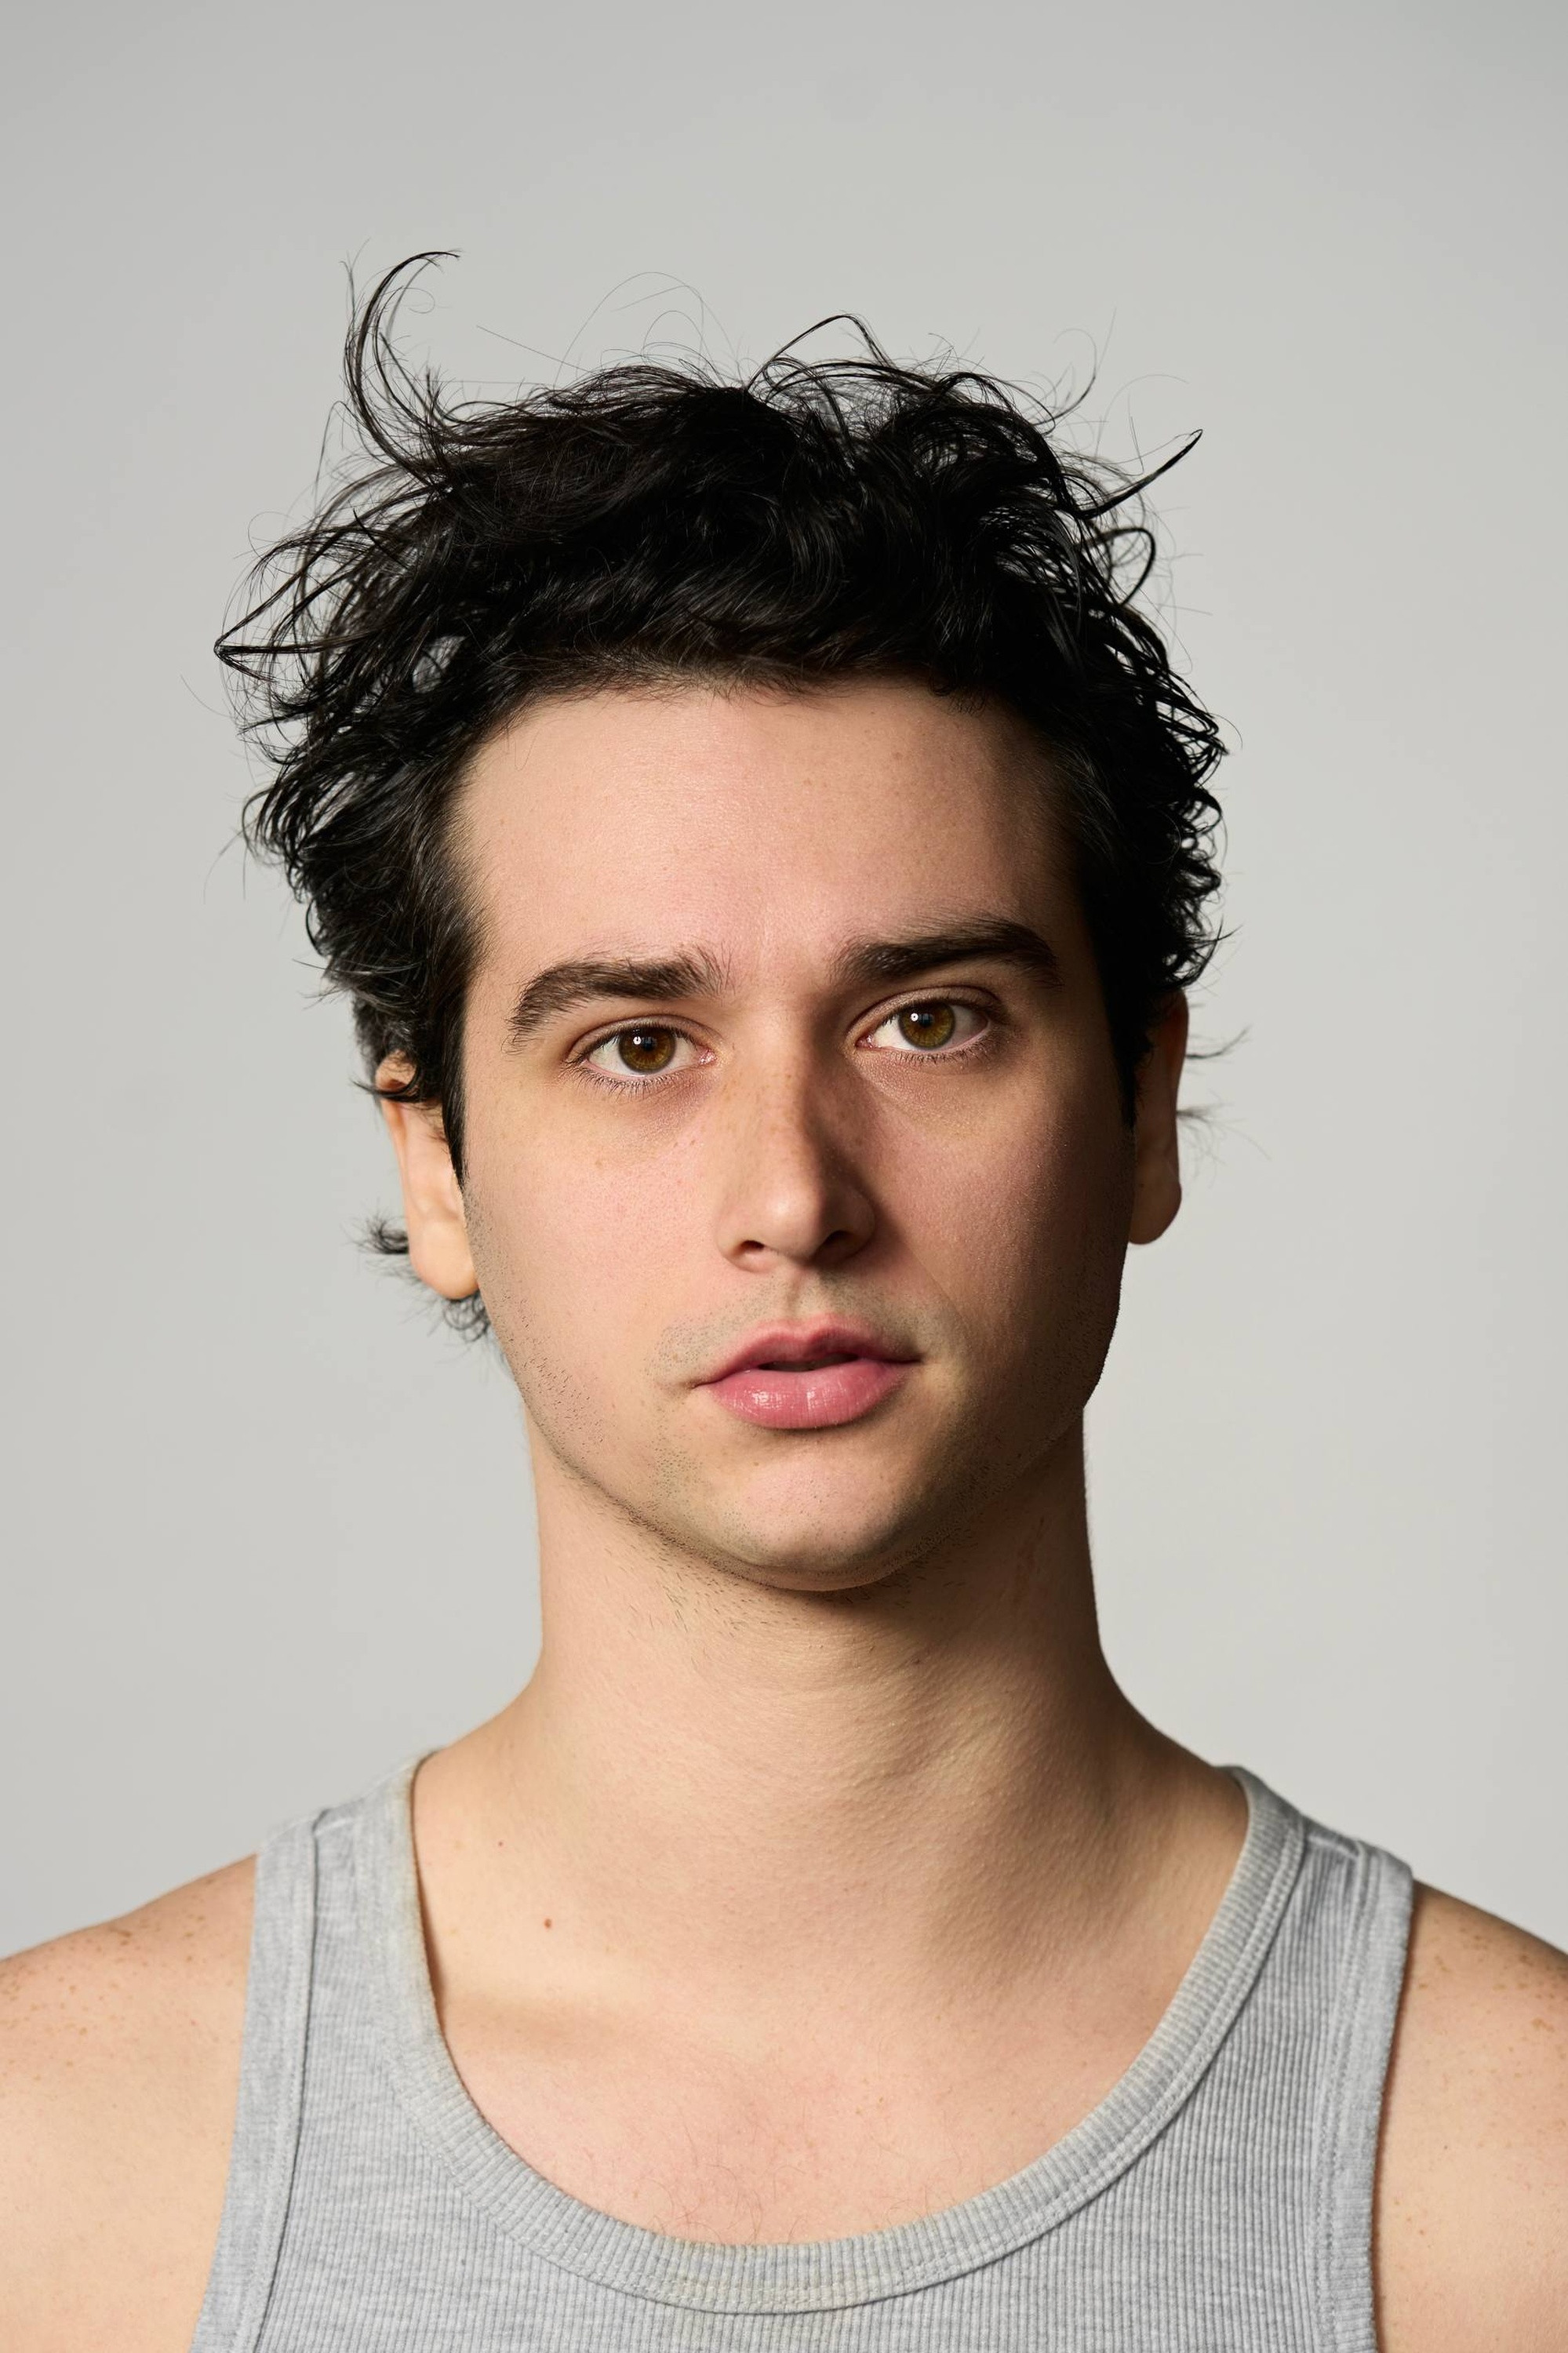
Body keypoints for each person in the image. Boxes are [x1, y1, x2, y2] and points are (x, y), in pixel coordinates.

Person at [2, 259, 1564, 2353]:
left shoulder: (1515, 2181)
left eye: (931, 1020)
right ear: (435, 1163)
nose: (795, 1198)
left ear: (1141, 1107)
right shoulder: (69, 2173)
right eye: (637, 1046)